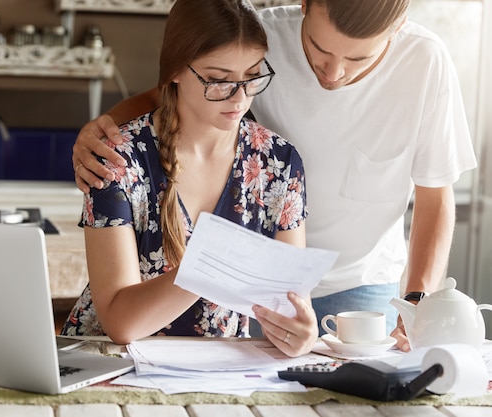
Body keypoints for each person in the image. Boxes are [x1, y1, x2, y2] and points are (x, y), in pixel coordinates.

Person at [70, 0, 477, 352]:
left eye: (358, 59)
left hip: (354, 278)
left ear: (396, 31)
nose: (334, 73)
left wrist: (417, 301)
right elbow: (175, 90)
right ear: (304, 5)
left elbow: (435, 198)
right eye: (320, 49)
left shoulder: (280, 161)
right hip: (237, 291)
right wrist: (104, 126)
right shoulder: (261, 35)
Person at [61, 0, 318, 357]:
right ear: (176, 70)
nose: (240, 97)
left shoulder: (280, 163)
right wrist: (213, 265)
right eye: (218, 80)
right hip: (104, 363)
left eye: (253, 74)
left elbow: (290, 302)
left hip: (214, 370)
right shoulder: (118, 159)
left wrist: (301, 332)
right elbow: (121, 323)